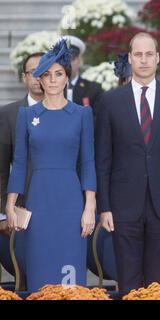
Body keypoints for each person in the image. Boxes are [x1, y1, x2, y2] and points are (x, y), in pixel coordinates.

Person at [95, 32, 160, 297]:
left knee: (159, 283)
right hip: (122, 205)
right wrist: (104, 207)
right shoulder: (110, 101)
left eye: (148, 54)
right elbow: (103, 159)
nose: (143, 60)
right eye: (137, 55)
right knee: (127, 280)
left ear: (158, 58)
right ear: (130, 58)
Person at [5, 39, 96, 292]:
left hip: (71, 201)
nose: (53, 80)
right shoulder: (27, 115)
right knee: (40, 267)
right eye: (46, 75)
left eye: (59, 74)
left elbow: (88, 162)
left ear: (67, 78)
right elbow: (20, 163)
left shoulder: (82, 114)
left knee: (70, 270)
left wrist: (90, 207)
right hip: (39, 200)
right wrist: (10, 205)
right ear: (40, 81)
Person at [0, 52, 45, 238]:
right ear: (24, 77)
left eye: (44, 71)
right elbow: (2, 169)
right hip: (21, 209)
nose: (39, 77)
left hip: (61, 203)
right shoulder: (9, 114)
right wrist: (3, 212)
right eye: (33, 72)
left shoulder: (72, 113)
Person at [62, 35, 103, 115]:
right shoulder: (52, 89)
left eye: (72, 59)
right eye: (64, 59)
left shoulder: (93, 89)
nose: (68, 64)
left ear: (79, 61)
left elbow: (99, 120)